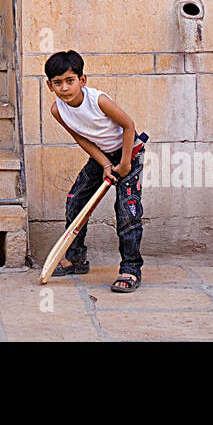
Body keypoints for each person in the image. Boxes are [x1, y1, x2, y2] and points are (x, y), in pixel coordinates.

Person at [44, 49, 148, 292]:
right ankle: (76, 259)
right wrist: (104, 164)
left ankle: (130, 269)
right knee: (76, 199)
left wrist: (123, 164)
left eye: (70, 81)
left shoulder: (98, 100)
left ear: (82, 80)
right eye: (57, 83)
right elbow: (81, 138)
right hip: (102, 155)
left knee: (127, 209)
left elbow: (128, 125)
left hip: (128, 151)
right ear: (49, 86)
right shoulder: (58, 110)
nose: (65, 88)